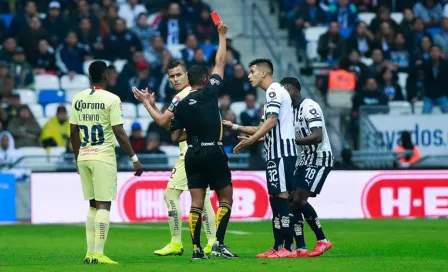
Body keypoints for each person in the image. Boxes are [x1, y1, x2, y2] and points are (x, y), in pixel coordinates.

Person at [133, 60, 218, 257]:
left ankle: (178, 242)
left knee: (173, 195)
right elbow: (170, 125)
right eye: (171, 76)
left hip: (191, 153)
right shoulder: (199, 94)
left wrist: (147, 104)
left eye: (178, 75)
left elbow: (163, 121)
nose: (175, 79)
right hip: (199, 152)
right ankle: (210, 242)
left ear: (187, 74)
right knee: (201, 198)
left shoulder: (181, 97)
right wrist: (153, 105)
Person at [169, 21, 238, 260]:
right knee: (225, 198)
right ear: (206, 79)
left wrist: (192, 131)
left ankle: (197, 250)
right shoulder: (211, 93)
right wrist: (222, 36)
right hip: (214, 152)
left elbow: (175, 136)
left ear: (189, 80)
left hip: (193, 154)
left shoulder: (181, 104)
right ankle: (218, 243)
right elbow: (220, 61)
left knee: (196, 203)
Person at [70, 60, 143, 265]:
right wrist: (134, 159)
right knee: (103, 204)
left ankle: (90, 253)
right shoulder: (112, 99)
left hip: (84, 155)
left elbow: (73, 131)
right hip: (103, 156)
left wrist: (77, 157)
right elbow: (119, 132)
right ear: (105, 75)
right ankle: (98, 254)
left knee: (92, 204)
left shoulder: (77, 99)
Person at [228, 59, 298, 258]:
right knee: (275, 199)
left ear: (264, 73)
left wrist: (251, 141)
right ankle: (277, 246)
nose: (249, 76)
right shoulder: (270, 97)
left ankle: (288, 247)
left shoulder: (275, 90)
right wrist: (234, 127)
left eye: (252, 71)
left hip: (283, 153)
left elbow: (271, 122)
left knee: (283, 198)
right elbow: (262, 127)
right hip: (274, 154)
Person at [281, 76, 333, 257]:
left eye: (288, 90)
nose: (285, 94)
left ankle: (322, 240)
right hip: (303, 159)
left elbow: (317, 136)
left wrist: (292, 141)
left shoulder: (309, 106)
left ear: (297, 90)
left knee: (298, 199)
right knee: (291, 200)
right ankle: (301, 247)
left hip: (319, 157)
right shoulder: (289, 112)